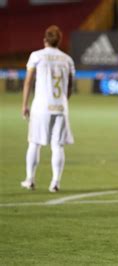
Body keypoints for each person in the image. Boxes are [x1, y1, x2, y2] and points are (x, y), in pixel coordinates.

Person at [20, 25, 75, 192]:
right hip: (60, 107)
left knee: (34, 143)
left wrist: (24, 104)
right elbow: (70, 86)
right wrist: (63, 102)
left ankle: (30, 179)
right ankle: (55, 182)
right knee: (57, 145)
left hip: (41, 107)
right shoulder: (67, 59)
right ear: (59, 41)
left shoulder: (36, 56)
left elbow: (29, 81)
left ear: (45, 40)